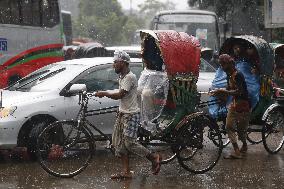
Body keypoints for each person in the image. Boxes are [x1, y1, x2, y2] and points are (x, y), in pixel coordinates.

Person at [95, 50, 162, 179]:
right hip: (123, 113)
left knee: (130, 143)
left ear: (123, 63)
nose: (113, 65)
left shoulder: (130, 77)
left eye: (116, 62)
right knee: (119, 144)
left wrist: (104, 93)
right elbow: (123, 97)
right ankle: (126, 172)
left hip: (131, 115)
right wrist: (120, 109)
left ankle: (154, 156)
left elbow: (120, 95)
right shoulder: (122, 76)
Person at [211, 54, 250, 159]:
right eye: (221, 64)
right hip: (234, 104)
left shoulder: (238, 75)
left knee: (241, 132)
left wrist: (225, 92)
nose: (222, 67)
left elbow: (239, 91)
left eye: (223, 64)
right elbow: (228, 88)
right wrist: (219, 93)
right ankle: (237, 151)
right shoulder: (229, 75)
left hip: (243, 105)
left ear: (230, 64)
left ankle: (245, 145)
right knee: (228, 126)